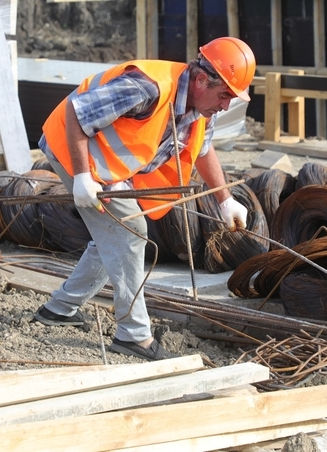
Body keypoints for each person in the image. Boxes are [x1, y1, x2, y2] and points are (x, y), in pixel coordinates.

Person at [33, 37, 256, 361]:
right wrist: (82, 177)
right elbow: (77, 113)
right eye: (224, 95)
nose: (225, 106)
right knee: (130, 234)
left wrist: (225, 200)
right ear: (200, 79)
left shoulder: (203, 108)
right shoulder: (147, 88)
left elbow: (203, 149)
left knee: (114, 236)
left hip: (109, 165)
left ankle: (59, 309)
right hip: (72, 150)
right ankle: (133, 336)